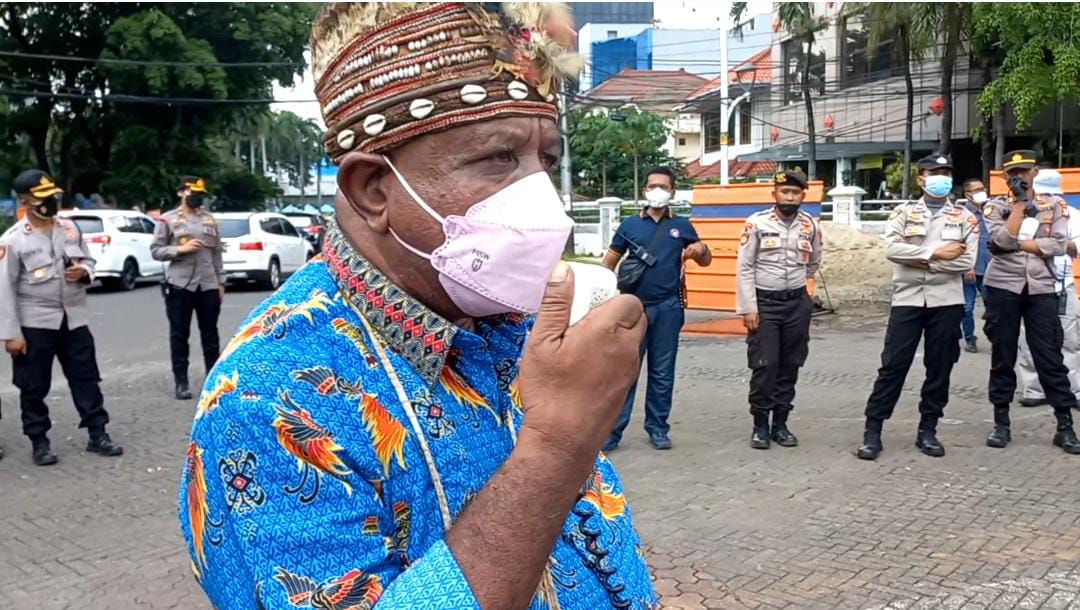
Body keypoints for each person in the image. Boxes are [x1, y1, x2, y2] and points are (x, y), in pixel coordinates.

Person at [178, 4, 656, 609]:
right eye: (498, 159)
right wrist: (557, 446)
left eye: (547, 161)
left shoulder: (511, 317)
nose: (547, 203)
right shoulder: (266, 402)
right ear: (372, 191)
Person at [857, 155, 977, 460]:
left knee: (939, 367)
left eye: (946, 172)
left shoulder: (966, 218)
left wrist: (919, 258)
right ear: (921, 179)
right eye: (934, 173)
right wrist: (937, 254)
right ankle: (873, 430)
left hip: (947, 302)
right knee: (893, 365)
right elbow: (892, 250)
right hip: (907, 299)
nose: (941, 177)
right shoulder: (902, 212)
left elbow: (966, 261)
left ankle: (928, 430)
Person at [0, 169, 123, 466]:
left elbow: (89, 261)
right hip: (35, 323)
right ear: (26, 201)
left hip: (74, 318)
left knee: (87, 378)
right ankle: (39, 441)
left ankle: (98, 434)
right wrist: (11, 334)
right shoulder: (13, 240)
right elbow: (4, 288)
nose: (50, 202)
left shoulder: (69, 228)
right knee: (33, 385)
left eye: (52, 196)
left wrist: (85, 272)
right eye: (42, 198)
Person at [601, 166, 712, 451]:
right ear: (644, 191)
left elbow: (704, 258)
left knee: (663, 372)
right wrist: (605, 296)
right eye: (652, 186)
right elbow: (609, 263)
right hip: (632, 308)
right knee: (625, 371)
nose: (657, 191)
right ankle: (612, 431)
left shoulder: (683, 226)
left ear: (672, 191)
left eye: (663, 186)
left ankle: (658, 428)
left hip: (668, 307)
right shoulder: (629, 226)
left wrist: (700, 250)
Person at [982, 150, 1080, 454]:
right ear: (1004, 176)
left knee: (1050, 356)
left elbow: (1061, 244)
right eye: (1013, 172)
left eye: (1024, 171)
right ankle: (1001, 423)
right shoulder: (994, 206)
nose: (1019, 177)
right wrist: (1020, 206)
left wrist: (1025, 245)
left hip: (1041, 288)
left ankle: (1064, 425)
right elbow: (1000, 243)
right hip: (1003, 287)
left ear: (1034, 172)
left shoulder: (1054, 206)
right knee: (1003, 355)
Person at [735, 169, 821, 449]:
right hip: (765, 305)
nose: (790, 196)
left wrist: (798, 287)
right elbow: (745, 267)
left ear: (802, 196)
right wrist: (749, 308)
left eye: (795, 192)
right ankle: (760, 424)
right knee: (765, 364)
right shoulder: (756, 223)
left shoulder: (811, 225)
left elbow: (814, 261)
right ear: (775, 193)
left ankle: (781, 424)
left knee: (790, 363)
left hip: (796, 303)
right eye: (785, 191)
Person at [151, 176, 225, 400]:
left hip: (208, 283)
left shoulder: (209, 220)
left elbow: (217, 253)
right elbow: (156, 251)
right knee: (179, 334)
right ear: (181, 192)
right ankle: (181, 381)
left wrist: (221, 281)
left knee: (210, 334)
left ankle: (212, 380)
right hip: (180, 284)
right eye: (193, 193)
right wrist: (179, 250)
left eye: (200, 194)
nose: (196, 197)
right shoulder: (167, 220)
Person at [1015, 169, 1080, 407]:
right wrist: (1059, 244)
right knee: (1030, 338)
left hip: (1063, 285)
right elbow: (1019, 244)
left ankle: (1072, 390)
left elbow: (1077, 245)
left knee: (1070, 340)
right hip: (1032, 285)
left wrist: (1051, 245)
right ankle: (1034, 389)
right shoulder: (1027, 214)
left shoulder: (1071, 213)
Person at [961, 178, 991, 353]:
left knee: (994, 307)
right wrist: (967, 267)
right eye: (977, 189)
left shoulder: (991, 212)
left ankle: (997, 336)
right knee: (967, 307)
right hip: (969, 270)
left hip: (991, 269)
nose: (982, 191)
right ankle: (970, 338)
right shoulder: (962, 215)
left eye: (983, 188)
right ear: (968, 194)